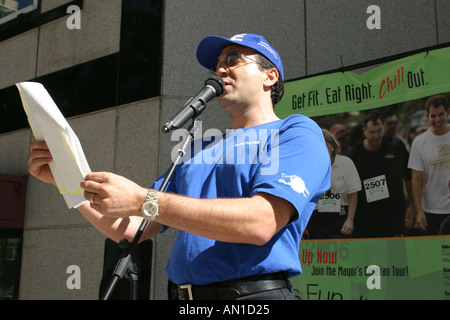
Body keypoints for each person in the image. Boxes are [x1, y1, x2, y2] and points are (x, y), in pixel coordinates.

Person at [28, 33, 331, 300]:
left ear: (270, 76)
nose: (220, 69)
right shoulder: (199, 147)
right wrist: (65, 181)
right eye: (217, 65)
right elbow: (136, 227)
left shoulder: (295, 131)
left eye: (233, 59)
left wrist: (143, 200)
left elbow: (261, 222)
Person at [348, 111, 413, 238]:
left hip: (394, 215)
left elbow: (408, 178)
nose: (376, 136)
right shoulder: (355, 155)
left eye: (379, 131)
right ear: (364, 131)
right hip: (366, 219)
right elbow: (350, 190)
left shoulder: (396, 146)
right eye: (372, 132)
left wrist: (411, 205)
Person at [306, 129, 361, 239]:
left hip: (340, 217)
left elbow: (353, 194)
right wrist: (303, 226)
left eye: (325, 145)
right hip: (316, 219)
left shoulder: (346, 163)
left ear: (332, 146)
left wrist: (350, 219)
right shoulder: (309, 166)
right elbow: (304, 199)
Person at [408, 95, 450, 235]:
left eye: (441, 115)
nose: (437, 120)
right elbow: (417, 179)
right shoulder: (419, 142)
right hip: (433, 209)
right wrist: (419, 211)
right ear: (427, 116)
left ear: (448, 113)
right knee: (440, 254)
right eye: (433, 116)